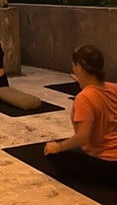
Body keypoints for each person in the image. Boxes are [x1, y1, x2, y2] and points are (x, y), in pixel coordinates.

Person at [44, 45, 117, 186]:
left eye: (75, 64)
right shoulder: (113, 88)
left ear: (81, 68)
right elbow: (98, 90)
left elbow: (83, 137)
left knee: (52, 152)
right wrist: (83, 82)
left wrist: (58, 147)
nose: (73, 67)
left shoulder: (84, 98)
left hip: (105, 166)